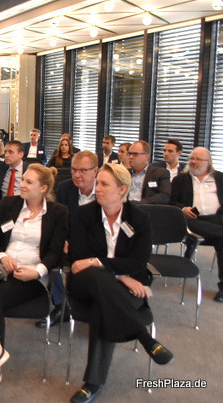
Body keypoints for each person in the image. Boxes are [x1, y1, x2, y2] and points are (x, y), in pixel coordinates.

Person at [67, 163, 173, 402]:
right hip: (87, 283)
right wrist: (120, 274)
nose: (97, 188)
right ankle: (145, 338)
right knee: (97, 279)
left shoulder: (140, 218)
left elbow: (138, 261)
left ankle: (93, 383)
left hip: (124, 285)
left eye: (104, 184)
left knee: (103, 307)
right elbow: (79, 258)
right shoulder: (84, 215)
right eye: (98, 183)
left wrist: (99, 262)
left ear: (122, 189)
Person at [0, 164, 68, 394]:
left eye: (29, 182)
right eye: (23, 180)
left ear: (43, 188)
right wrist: (2, 257)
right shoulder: (9, 204)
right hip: (2, 267)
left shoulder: (58, 212)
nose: (22, 184)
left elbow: (55, 252)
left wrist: (38, 271)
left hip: (30, 276)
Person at [36, 151, 100, 328]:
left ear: (95, 171)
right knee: (48, 253)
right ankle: (60, 305)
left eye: (82, 170)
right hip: (70, 243)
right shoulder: (65, 188)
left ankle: (98, 306)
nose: (76, 175)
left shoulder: (103, 189)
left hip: (97, 246)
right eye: (73, 170)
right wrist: (63, 240)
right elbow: (58, 220)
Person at [170, 147, 223, 302]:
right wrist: (183, 209)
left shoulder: (220, 178)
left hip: (216, 220)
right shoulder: (180, 180)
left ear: (208, 162)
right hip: (192, 222)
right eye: (192, 158)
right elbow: (171, 202)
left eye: (198, 159)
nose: (193, 161)